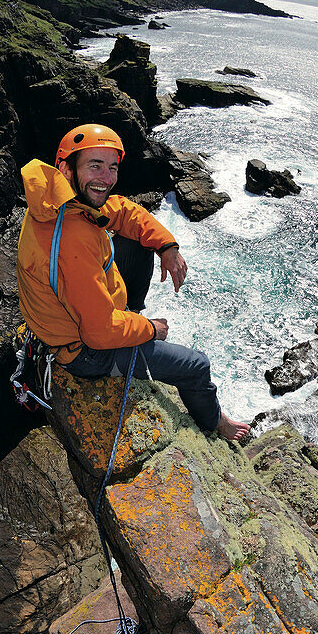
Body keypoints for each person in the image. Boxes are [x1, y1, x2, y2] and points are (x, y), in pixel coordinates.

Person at [16, 124, 250, 441]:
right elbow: (98, 334)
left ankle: (131, 315)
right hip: (86, 352)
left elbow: (125, 211)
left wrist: (167, 247)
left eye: (112, 167)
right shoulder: (72, 241)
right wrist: (152, 329)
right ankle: (215, 424)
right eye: (94, 165)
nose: (107, 177)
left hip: (76, 316)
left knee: (139, 242)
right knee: (196, 366)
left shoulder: (55, 203)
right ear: (66, 168)